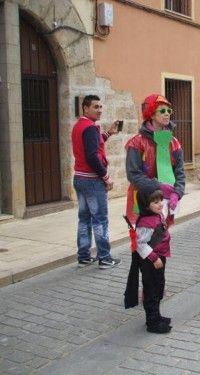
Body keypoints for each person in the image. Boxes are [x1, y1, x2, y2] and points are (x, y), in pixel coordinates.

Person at [71, 94, 121, 269]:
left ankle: (83, 256)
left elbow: (93, 146)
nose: (99, 110)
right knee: (100, 220)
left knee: (84, 219)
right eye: (95, 107)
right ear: (85, 108)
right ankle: (105, 258)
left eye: (101, 107)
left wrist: (108, 133)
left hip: (79, 178)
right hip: (92, 181)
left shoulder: (79, 126)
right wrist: (106, 177)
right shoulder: (90, 128)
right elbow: (92, 156)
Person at [125, 94, 185, 225]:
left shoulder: (174, 143)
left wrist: (178, 193)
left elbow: (180, 172)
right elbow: (133, 174)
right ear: (151, 114)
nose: (167, 114)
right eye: (162, 111)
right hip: (142, 199)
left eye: (169, 111)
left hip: (165, 200)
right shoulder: (136, 143)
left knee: (162, 238)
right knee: (143, 239)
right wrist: (158, 186)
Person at [132, 186, 176, 334]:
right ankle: (152, 322)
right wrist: (154, 258)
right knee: (151, 289)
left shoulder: (157, 215)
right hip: (151, 260)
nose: (160, 204)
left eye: (161, 200)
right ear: (146, 204)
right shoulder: (145, 222)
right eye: (155, 202)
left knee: (159, 287)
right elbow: (140, 244)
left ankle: (157, 316)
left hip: (160, 256)